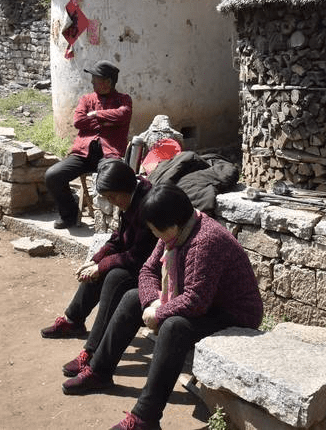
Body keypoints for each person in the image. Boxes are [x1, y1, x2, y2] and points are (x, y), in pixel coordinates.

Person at [61, 183, 264, 430]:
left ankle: (145, 417)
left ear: (174, 224)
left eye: (157, 230)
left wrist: (159, 312)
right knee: (132, 298)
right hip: (205, 303)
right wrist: (152, 302)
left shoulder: (206, 240)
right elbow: (148, 270)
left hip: (233, 314)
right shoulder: (175, 232)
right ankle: (99, 370)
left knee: (174, 327)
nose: (156, 236)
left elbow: (195, 301)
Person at [40, 159, 157, 378]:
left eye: (113, 197)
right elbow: (118, 238)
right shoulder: (130, 198)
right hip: (136, 259)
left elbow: (138, 255)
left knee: (114, 276)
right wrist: (96, 260)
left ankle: (92, 351)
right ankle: (73, 320)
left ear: (125, 188)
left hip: (152, 269)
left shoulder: (147, 204)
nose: (112, 202)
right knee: (98, 269)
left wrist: (102, 266)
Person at [45, 60, 132, 229]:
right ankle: (69, 215)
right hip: (83, 154)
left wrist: (95, 114)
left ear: (108, 82)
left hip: (109, 154)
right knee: (53, 175)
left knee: (110, 181)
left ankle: (113, 225)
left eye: (96, 79)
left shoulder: (124, 99)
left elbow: (123, 115)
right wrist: (106, 121)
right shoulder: (86, 99)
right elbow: (78, 121)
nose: (92, 82)